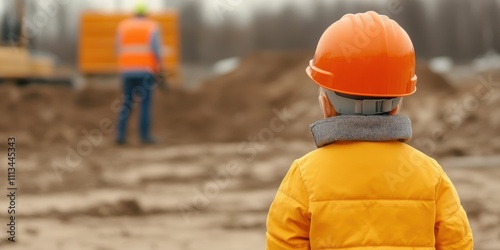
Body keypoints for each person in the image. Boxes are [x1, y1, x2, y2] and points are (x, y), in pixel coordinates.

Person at [266, 11, 473, 249]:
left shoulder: (303, 176)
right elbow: (458, 243)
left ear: (326, 103)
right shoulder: (430, 174)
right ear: (398, 103)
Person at [115, 3, 162, 144]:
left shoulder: (123, 27)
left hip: (127, 71)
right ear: (146, 13)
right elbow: (156, 51)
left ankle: (120, 135)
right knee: (145, 104)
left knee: (126, 103)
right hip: (146, 72)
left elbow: (118, 48)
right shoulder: (151, 27)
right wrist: (159, 68)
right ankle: (144, 136)